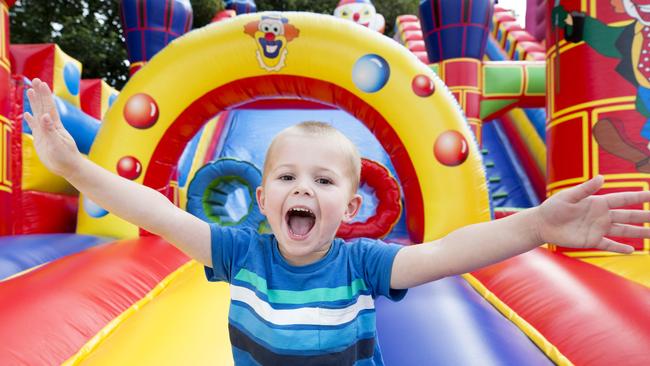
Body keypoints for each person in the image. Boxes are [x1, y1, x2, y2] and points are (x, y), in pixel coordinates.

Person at [24, 78, 649, 365]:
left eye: (323, 182)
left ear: (351, 209)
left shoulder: (362, 262)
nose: (303, 188)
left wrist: (536, 226)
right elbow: (154, 211)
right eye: (288, 178)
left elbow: (453, 250)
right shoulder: (240, 252)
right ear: (264, 198)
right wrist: (74, 168)